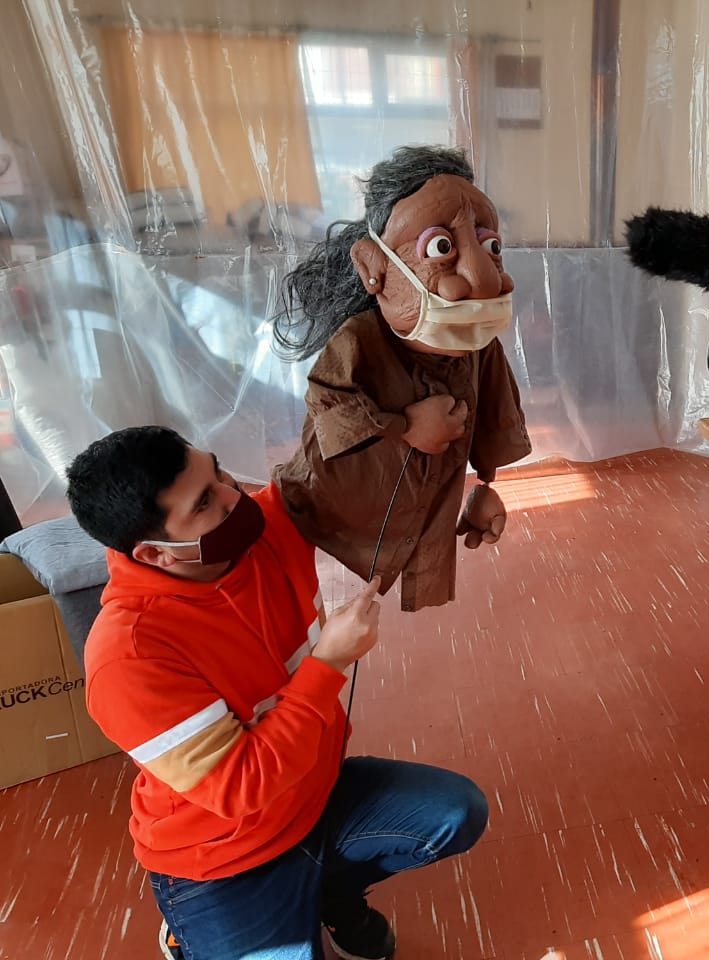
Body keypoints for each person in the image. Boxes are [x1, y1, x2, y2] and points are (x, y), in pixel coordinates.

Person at [67, 426, 489, 960]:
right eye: (204, 503)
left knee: (456, 812)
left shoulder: (266, 525)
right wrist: (327, 663)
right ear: (155, 553)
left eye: (217, 472)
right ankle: (190, 931)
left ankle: (329, 891)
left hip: (313, 797)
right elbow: (243, 787)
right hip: (225, 857)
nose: (233, 494)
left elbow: (367, 489)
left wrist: (465, 503)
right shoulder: (129, 657)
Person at [272, 145, 532, 613]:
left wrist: (485, 487)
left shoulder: (478, 346)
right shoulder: (360, 340)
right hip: (325, 508)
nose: (484, 281)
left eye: (491, 246)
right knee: (293, 593)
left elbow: (496, 415)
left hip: (417, 507)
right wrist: (407, 427)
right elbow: (331, 408)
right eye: (441, 248)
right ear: (374, 266)